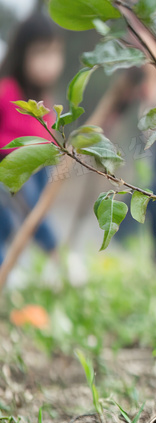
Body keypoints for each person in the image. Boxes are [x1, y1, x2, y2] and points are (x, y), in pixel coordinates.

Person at [0, 13, 64, 266]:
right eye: (41, 53)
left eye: (55, 53)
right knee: (22, 218)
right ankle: (54, 253)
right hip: (13, 168)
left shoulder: (46, 100)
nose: (50, 63)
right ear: (22, 53)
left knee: (31, 216)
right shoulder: (7, 91)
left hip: (39, 168)